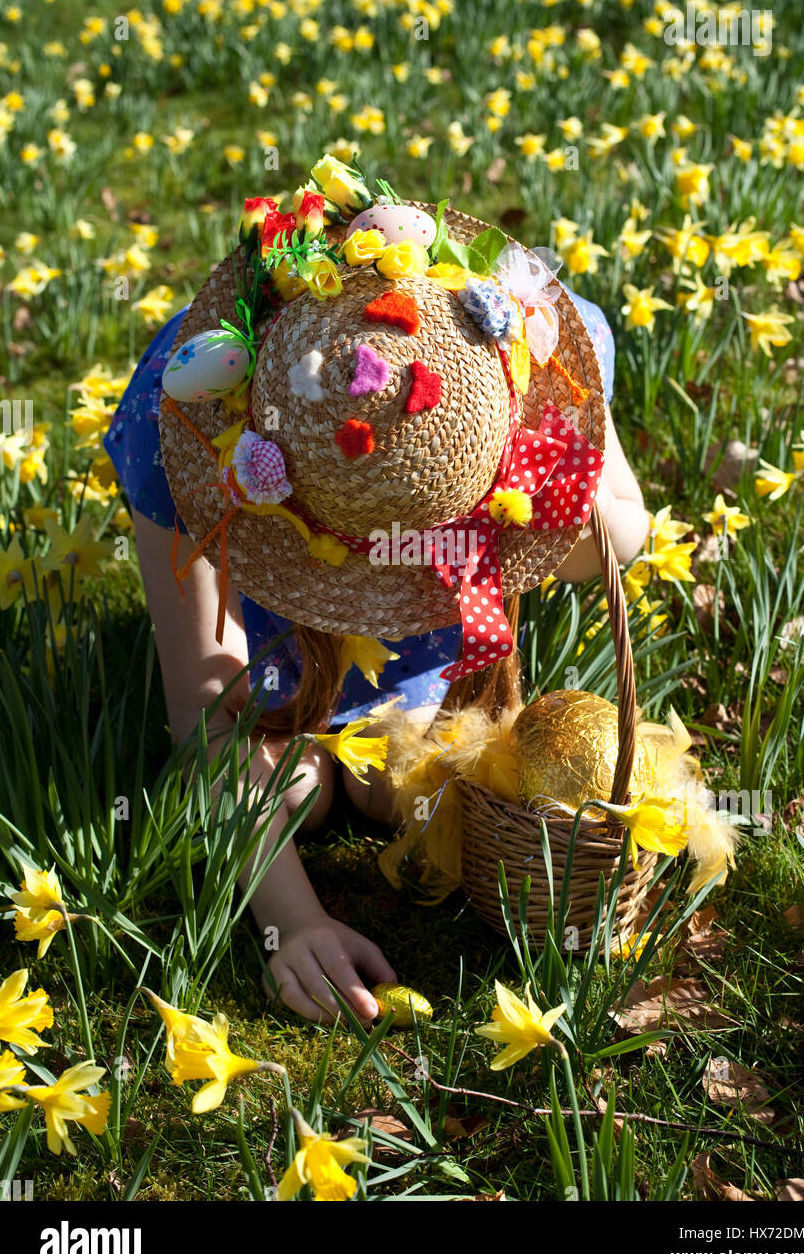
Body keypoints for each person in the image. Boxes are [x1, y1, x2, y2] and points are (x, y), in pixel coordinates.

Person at [104, 166, 649, 1028]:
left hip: (431, 644)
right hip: (279, 664)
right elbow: (206, 710)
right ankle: (319, 752)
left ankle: (363, 748)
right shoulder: (196, 412)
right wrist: (295, 921)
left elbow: (619, 538)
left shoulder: (530, 339)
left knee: (411, 792)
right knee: (289, 796)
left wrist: (532, 479)